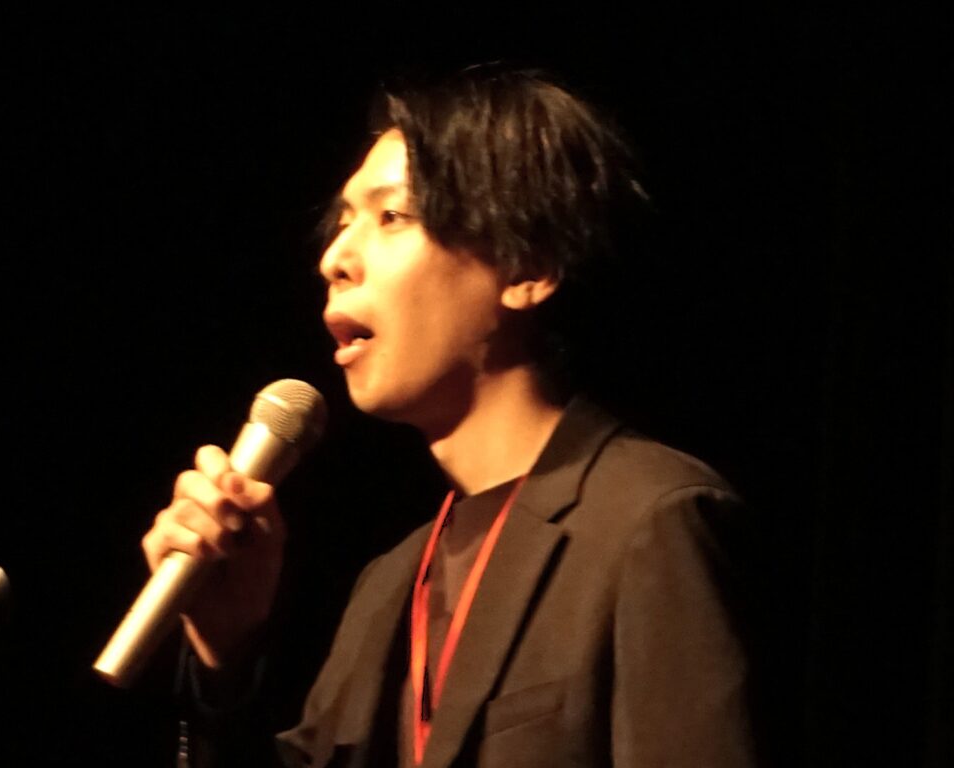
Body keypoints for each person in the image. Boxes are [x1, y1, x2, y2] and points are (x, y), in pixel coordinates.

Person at [143, 67, 758, 767]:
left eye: (391, 217)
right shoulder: (388, 585)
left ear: (527, 265)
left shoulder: (650, 520)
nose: (334, 259)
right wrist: (225, 660)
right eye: (342, 225)